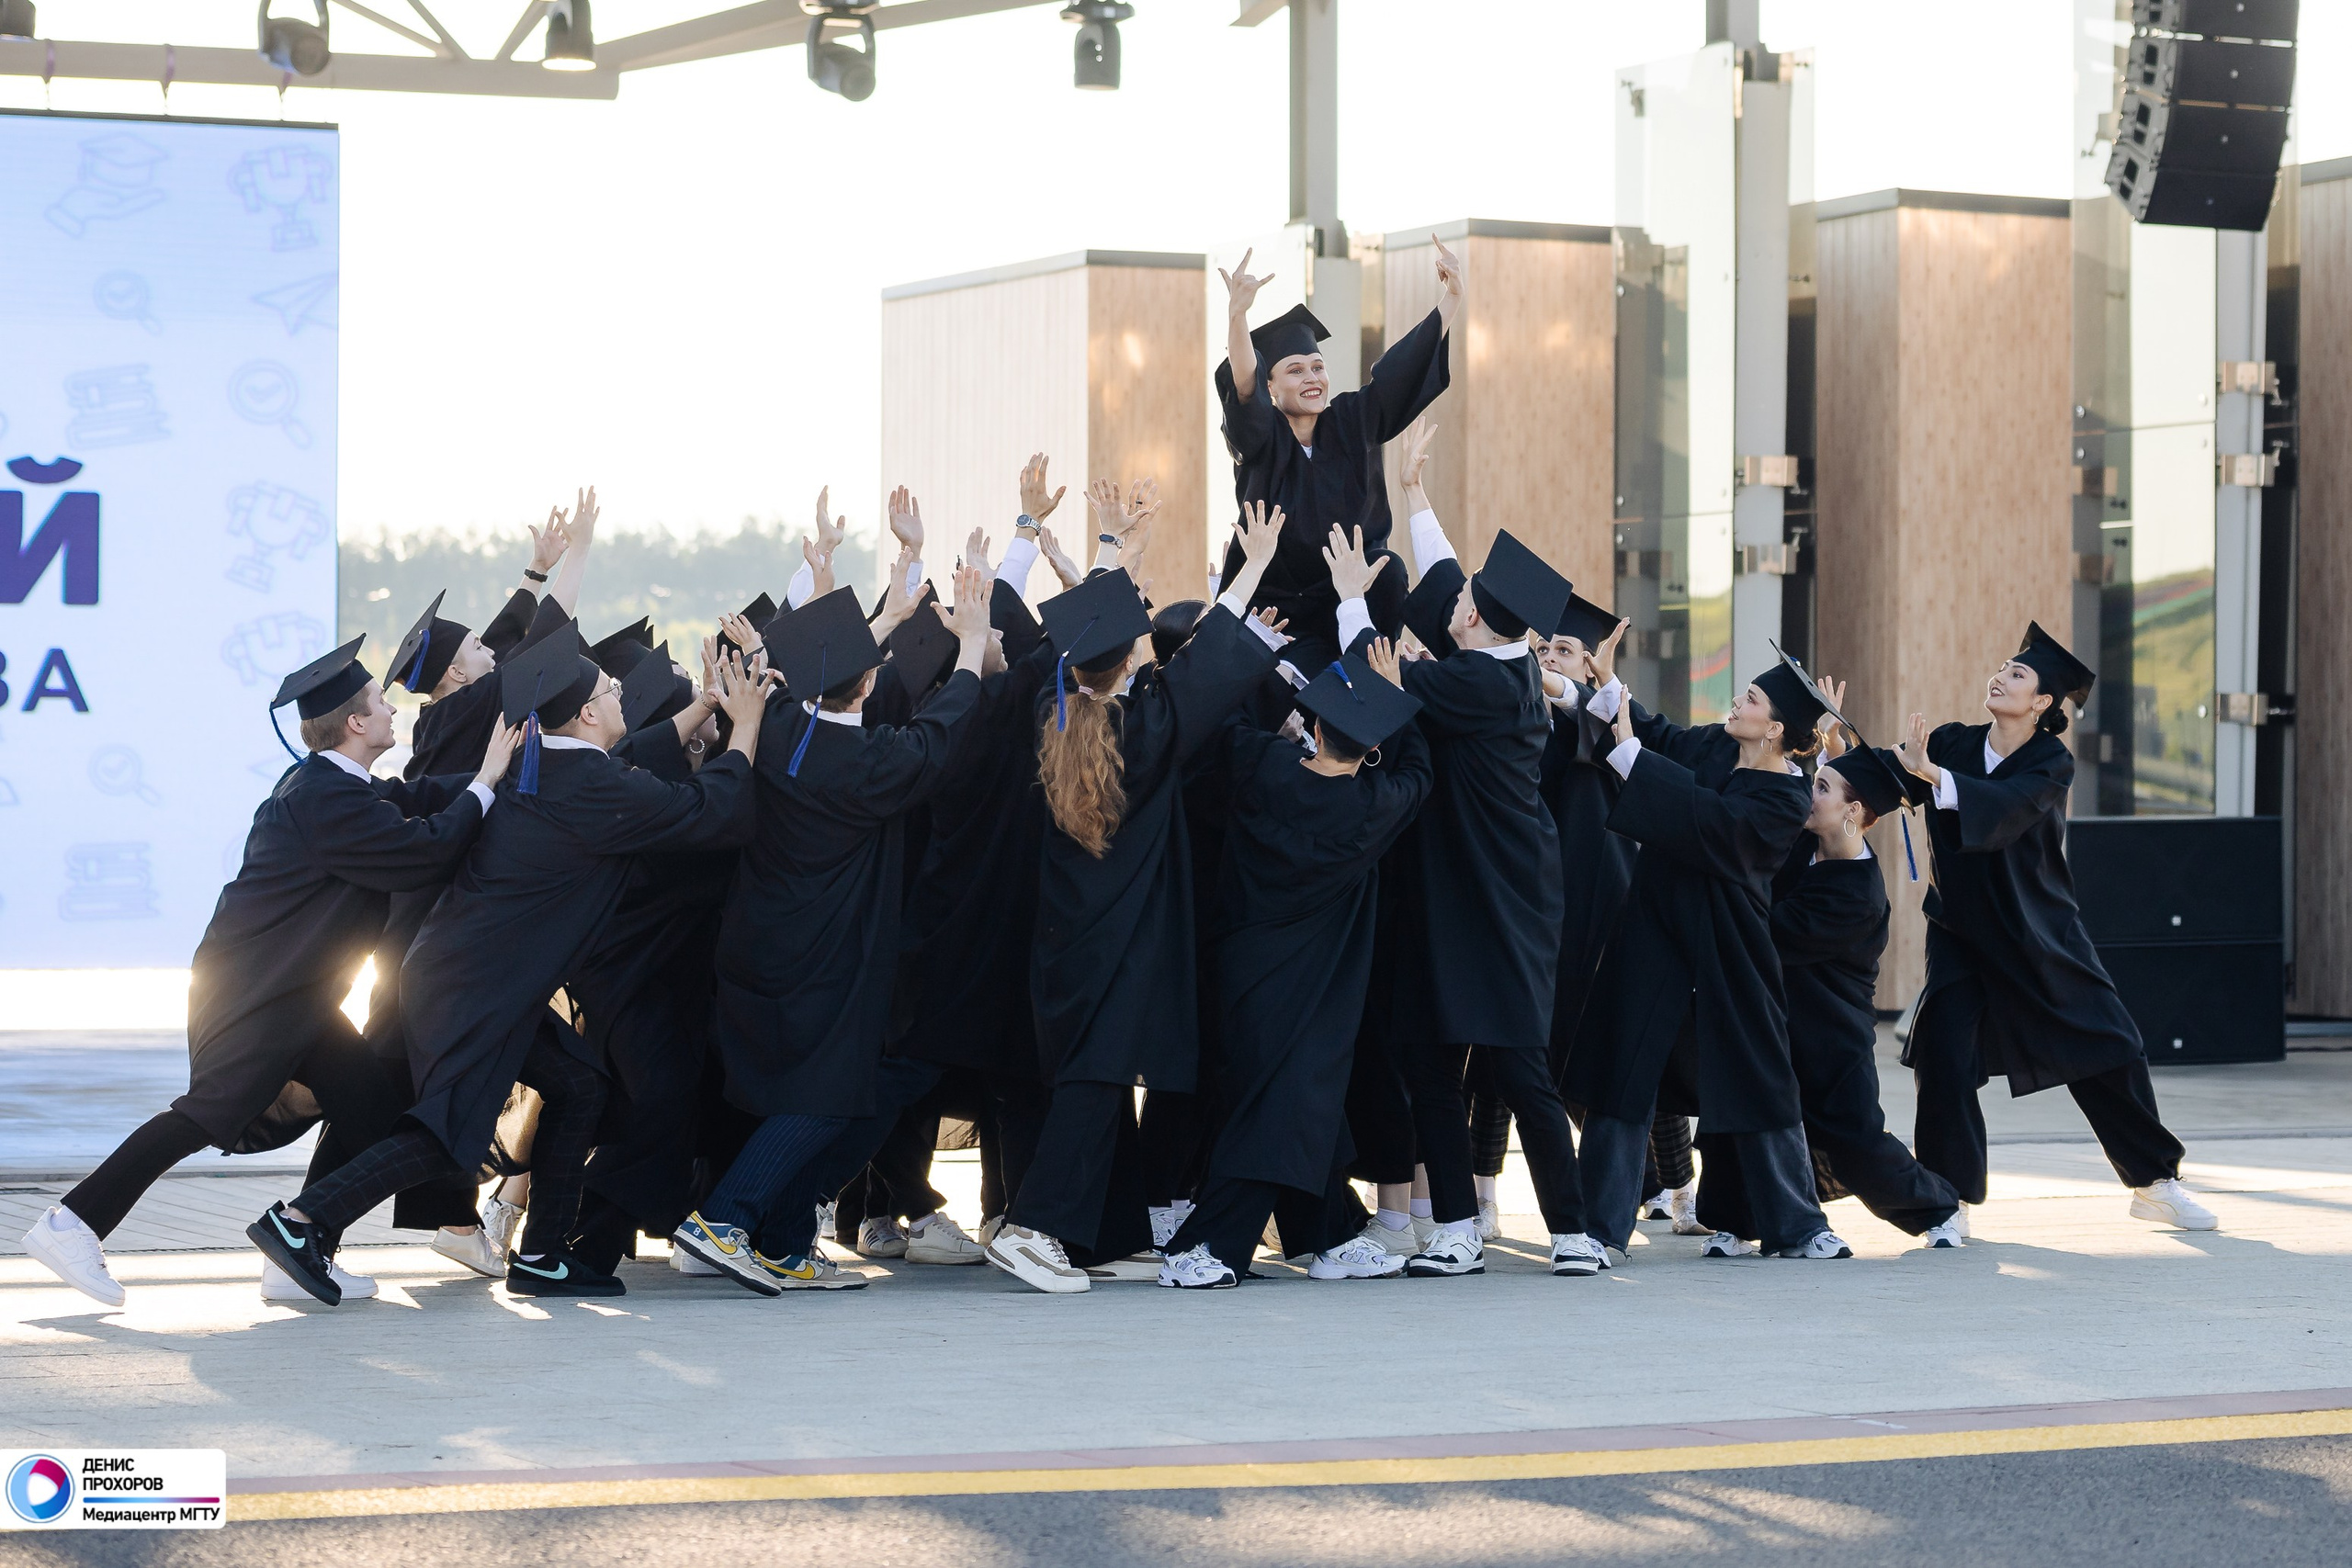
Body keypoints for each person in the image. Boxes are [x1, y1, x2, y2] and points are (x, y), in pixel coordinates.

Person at [245, 630, 765, 1305]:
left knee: (579, 1086)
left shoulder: (545, 761)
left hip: (476, 980)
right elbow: (709, 810)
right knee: (446, 1139)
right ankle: (300, 1222)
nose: (618, 699)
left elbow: (628, 756)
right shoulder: (586, 782)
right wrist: (746, 726)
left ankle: (545, 1253)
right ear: (584, 715)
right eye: (610, 692)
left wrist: (705, 706)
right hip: (476, 989)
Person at [21, 639, 514, 1307]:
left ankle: (300, 1251)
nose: (390, 706)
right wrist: (484, 784)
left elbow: (418, 795)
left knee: (368, 1105)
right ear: (356, 725)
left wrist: (506, 772)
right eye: (378, 702)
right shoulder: (325, 800)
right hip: (254, 991)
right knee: (205, 1114)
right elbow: (419, 850)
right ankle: (71, 1222)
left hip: (297, 994)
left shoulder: (339, 786)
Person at [982, 501, 1288, 1294]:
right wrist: (1250, 566)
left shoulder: (1052, 716)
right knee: (1097, 1077)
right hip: (1120, 940)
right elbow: (1212, 660)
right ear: (1130, 664)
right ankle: (1035, 1227)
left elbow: (1119, 643)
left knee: (1104, 1081)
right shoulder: (1146, 728)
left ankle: (1108, 1233)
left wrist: (1116, 554)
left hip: (1067, 939)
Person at [674, 566, 995, 1296]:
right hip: (828, 954)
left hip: (756, 946)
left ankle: (787, 1244)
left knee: (794, 1087)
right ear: (869, 690)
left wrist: (875, 627)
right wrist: (971, 643)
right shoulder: (869, 761)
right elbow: (945, 726)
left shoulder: (777, 722)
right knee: (827, 1095)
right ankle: (723, 1220)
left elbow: (795, 678)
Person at [1333, 463, 1603, 1278]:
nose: (1447, 598)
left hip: (1490, 896)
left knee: (1516, 1065)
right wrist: (1416, 494)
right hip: (1470, 893)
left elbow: (1372, 678)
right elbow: (1453, 575)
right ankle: (1459, 1227)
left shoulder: (1468, 684)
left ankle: (1568, 1229)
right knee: (1432, 1061)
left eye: (1461, 601)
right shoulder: (1515, 665)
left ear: (1477, 621)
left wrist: (1352, 595)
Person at [1893, 624, 2214, 1233]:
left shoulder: (2049, 760)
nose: (2001, 676)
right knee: (1943, 1055)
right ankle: (1945, 1198)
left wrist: (1932, 776)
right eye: (2003, 667)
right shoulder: (1952, 743)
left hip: (2038, 929)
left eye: (2018, 674)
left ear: (2042, 703)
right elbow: (1889, 777)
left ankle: (2153, 1182)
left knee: (2109, 1043)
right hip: (1962, 932)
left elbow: (2007, 806)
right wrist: (1828, 746)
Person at [1159, 641, 1434, 1288]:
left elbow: (1226, 725)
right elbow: (1419, 773)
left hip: (1243, 968)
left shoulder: (1263, 765)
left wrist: (1274, 674)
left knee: (1297, 1109)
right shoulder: (1372, 806)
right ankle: (1212, 1247)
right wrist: (1396, 703)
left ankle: (1329, 1234)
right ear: (1370, 750)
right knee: (1276, 1112)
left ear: (1312, 729)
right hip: (1312, 984)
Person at [1569, 637, 1850, 1262]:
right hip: (1655, 928)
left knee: (1759, 1078)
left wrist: (1632, 761)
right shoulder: (1717, 745)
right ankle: (1598, 1229)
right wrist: (1605, 686)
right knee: (1624, 1070)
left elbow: (1714, 827)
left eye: (1750, 697)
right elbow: (1657, 734)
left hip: (1731, 944)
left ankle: (1798, 1225)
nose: (1737, 700)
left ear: (1775, 729)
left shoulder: (1785, 796)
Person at [377, 495, 600, 1274]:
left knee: (453, 1086)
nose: (488, 646)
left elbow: (509, 636)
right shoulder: (471, 714)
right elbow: (541, 640)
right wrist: (580, 552)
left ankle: (454, 1218)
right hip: (457, 944)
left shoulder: (449, 717)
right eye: (474, 646)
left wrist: (536, 567)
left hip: (439, 939)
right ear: (455, 677)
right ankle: (316, 1220)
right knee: (432, 1092)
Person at [1699, 734, 1964, 1249]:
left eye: (1820, 787)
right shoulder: (1805, 844)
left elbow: (1767, 930)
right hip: (1774, 1019)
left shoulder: (1856, 894)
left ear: (1853, 812)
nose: (1807, 793)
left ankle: (1937, 1208)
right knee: (1736, 1119)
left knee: (1851, 1138)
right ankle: (1736, 1222)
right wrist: (1826, 757)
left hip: (1831, 1035)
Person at [1211, 238, 1462, 666]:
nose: (1312, 377)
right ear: (1271, 388)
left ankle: (1375, 676)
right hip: (1278, 607)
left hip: (1353, 592)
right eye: (1294, 370)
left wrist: (1452, 297)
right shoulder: (1262, 436)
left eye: (1318, 366)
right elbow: (1245, 385)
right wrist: (1238, 316)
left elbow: (1399, 372)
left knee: (1389, 569)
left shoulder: (1350, 420)